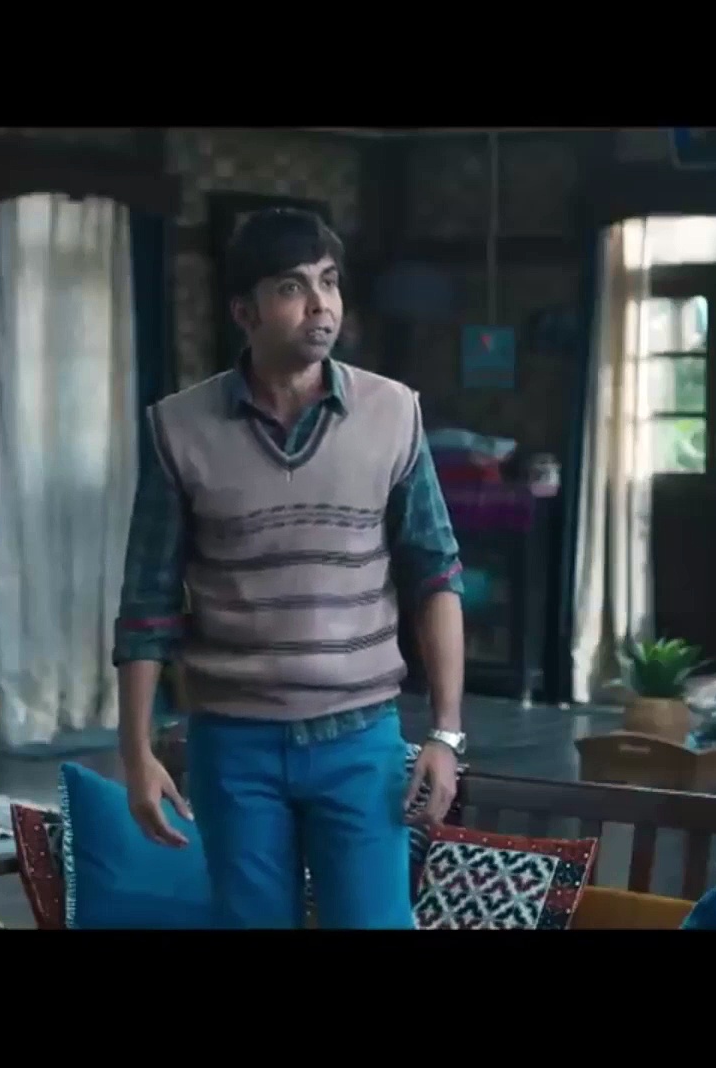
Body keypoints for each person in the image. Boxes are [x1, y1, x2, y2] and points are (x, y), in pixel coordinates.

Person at [114, 208, 466, 929]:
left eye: (329, 282)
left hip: (360, 740)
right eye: (291, 287)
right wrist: (136, 751)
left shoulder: (393, 414)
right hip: (233, 744)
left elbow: (435, 575)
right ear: (244, 311)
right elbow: (148, 603)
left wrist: (446, 733)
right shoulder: (178, 428)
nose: (320, 305)